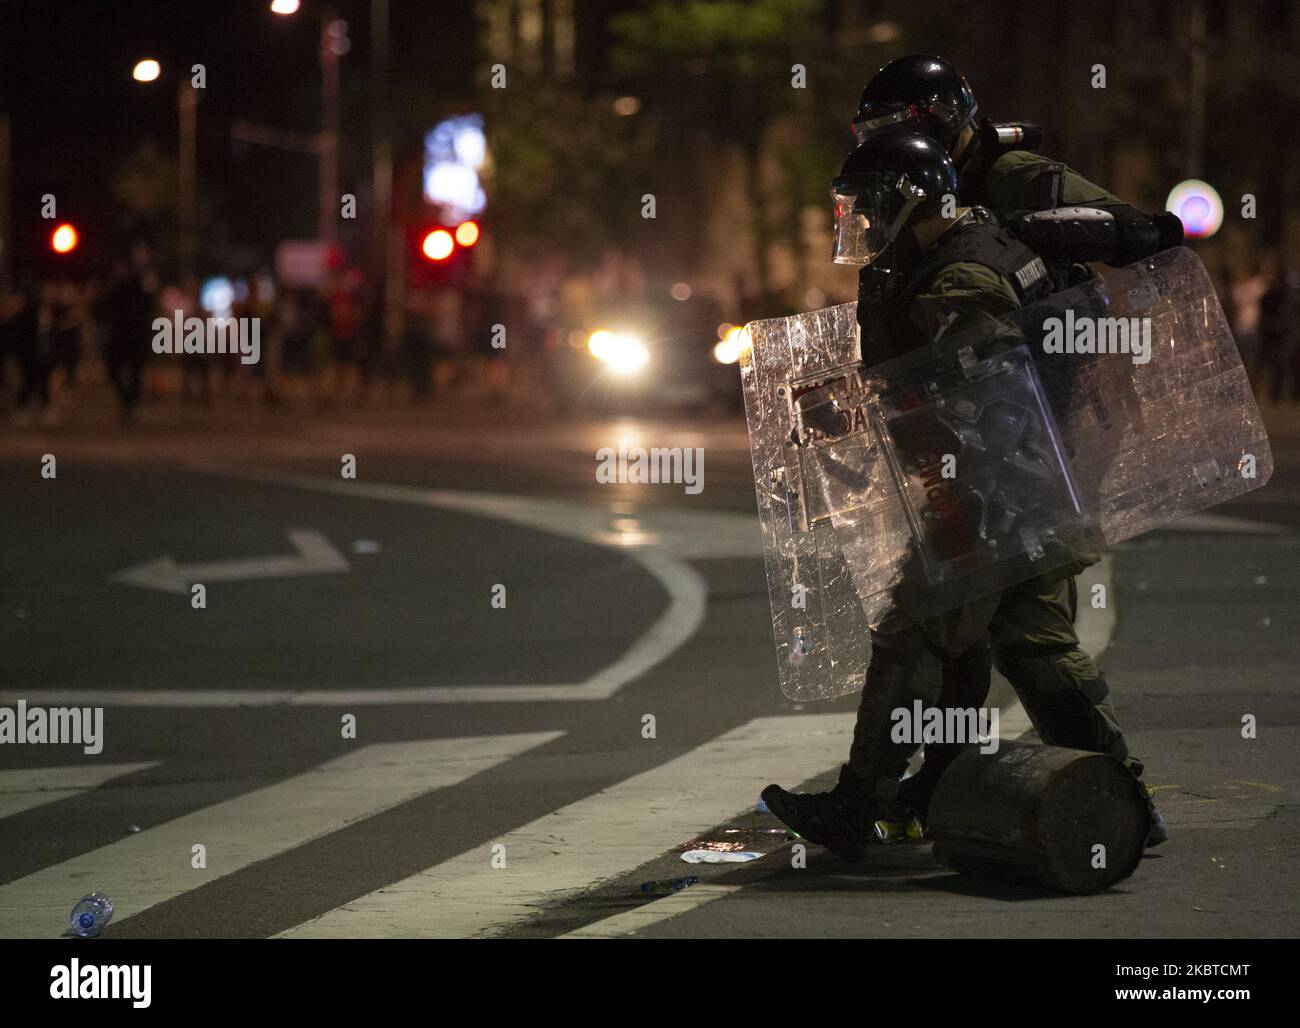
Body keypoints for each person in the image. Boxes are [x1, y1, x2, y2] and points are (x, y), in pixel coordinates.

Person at [762, 133, 1165, 860]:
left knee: (914, 630)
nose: (855, 221)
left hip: (990, 495)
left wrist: (856, 414)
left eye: (866, 205)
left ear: (909, 198)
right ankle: (1125, 794)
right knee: (1035, 644)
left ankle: (864, 801)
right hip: (1034, 486)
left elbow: (975, 406)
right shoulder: (975, 247)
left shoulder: (962, 279)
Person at [832, 55, 1183, 826]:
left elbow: (1145, 233)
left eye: (905, 131)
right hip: (1001, 455)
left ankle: (870, 801)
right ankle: (1096, 793)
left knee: (943, 619)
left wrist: (1038, 233)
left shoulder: (1017, 183)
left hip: (1021, 440)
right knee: (1020, 631)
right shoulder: (914, 219)